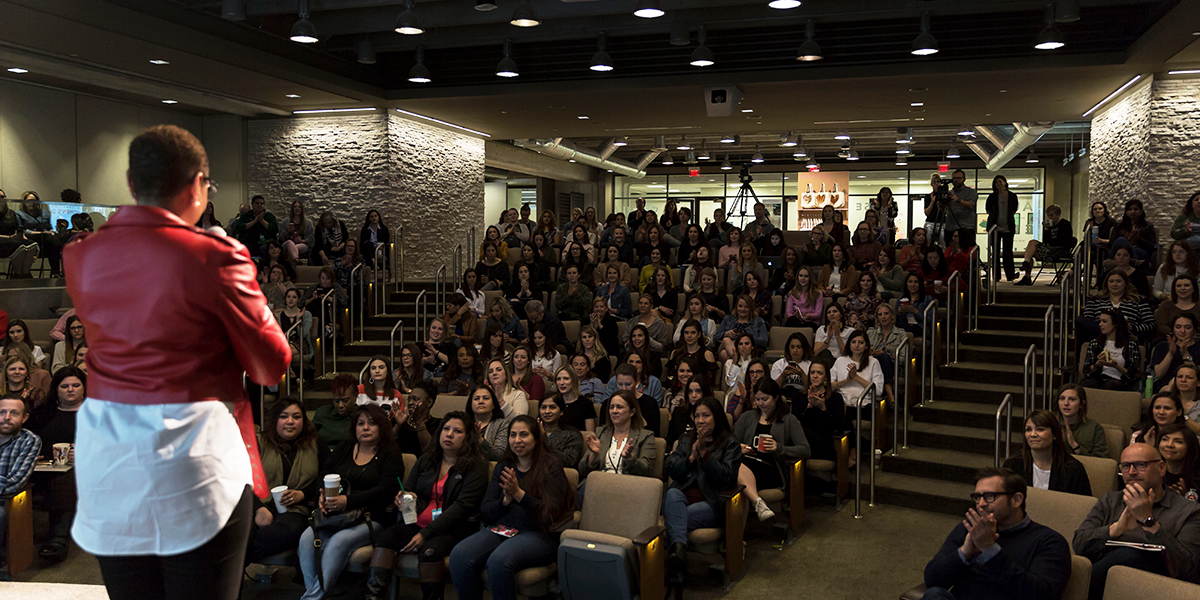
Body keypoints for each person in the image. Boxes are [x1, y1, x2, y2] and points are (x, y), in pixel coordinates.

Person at [63, 126, 290, 600]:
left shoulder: (79, 255)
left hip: (109, 453)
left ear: (130, 182)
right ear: (198, 186)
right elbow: (270, 366)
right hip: (194, 453)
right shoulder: (215, 255)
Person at [448, 415, 575, 600]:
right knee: (459, 555)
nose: (517, 440)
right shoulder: (504, 466)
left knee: (499, 561)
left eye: (524, 435)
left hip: (537, 533)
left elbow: (551, 513)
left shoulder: (551, 466)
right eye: (513, 435)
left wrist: (519, 495)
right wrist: (505, 501)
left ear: (536, 438)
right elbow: (486, 510)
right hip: (503, 529)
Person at [365, 410, 488, 600]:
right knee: (385, 538)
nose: (449, 434)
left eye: (457, 431)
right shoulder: (427, 459)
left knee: (430, 552)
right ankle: (374, 597)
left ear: (467, 437)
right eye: (446, 429)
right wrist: (402, 497)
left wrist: (425, 533)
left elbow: (462, 507)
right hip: (416, 522)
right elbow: (408, 488)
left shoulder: (476, 466)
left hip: (452, 529)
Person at [297, 404, 403, 600]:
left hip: (372, 518)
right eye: (360, 423)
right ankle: (314, 594)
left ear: (382, 427)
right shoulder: (345, 447)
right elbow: (324, 473)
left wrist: (348, 501)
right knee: (306, 538)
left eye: (372, 423)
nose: (365, 428)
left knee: (338, 542)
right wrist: (322, 493)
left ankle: (311, 598)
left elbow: (386, 491)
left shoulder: (391, 453)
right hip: (336, 515)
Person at [921, 467, 1071, 600]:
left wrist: (990, 550)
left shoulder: (1049, 541)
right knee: (934, 595)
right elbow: (933, 580)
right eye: (978, 497)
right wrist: (964, 552)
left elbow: (1041, 595)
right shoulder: (968, 530)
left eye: (990, 496)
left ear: (1016, 500)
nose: (981, 504)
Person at [1073, 444, 1200, 599]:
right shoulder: (1110, 500)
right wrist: (1115, 529)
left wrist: (1149, 522)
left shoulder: (1190, 511)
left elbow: (1187, 567)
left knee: (1131, 555)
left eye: (1140, 465)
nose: (1131, 472)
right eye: (1126, 466)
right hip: (1103, 584)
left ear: (1161, 468)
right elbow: (1079, 545)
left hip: (1154, 588)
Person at [663, 396, 741, 580]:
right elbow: (670, 467)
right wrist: (691, 458)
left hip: (711, 504)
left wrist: (705, 455)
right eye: (697, 416)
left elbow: (726, 478)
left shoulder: (731, 444)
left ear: (716, 418)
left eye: (705, 415)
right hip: (681, 499)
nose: (700, 420)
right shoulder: (685, 440)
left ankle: (675, 577)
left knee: (674, 520)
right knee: (673, 493)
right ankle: (679, 555)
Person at [247, 397, 330, 564]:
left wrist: (303, 494)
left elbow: (328, 478)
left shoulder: (314, 443)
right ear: (275, 419)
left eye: (296, 417)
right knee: (239, 530)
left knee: (287, 532)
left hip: (295, 511)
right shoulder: (259, 442)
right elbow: (240, 479)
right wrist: (258, 509)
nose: (290, 422)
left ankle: (238, 556)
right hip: (256, 506)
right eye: (284, 416)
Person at [733, 379, 811, 521]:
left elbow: (805, 449)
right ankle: (757, 504)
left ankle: (735, 539)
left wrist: (779, 448)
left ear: (775, 397)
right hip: (747, 464)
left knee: (736, 479)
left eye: (765, 399)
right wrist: (740, 447)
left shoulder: (788, 420)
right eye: (757, 399)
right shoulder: (747, 417)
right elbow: (731, 443)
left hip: (771, 469)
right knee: (737, 478)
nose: (761, 403)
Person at [1002, 410, 1092, 496]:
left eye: (1040, 429)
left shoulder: (1074, 469)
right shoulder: (1012, 465)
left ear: (1054, 435)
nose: (1032, 434)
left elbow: (1082, 506)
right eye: (1028, 430)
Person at [0, 395, 40, 580]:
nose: (7, 417)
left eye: (14, 413)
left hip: (6, 502)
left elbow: (15, 481)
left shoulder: (29, 440)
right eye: (2, 412)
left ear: (24, 418)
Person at [579, 389, 656, 480]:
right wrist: (594, 456)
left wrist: (630, 459)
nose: (614, 411)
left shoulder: (646, 436)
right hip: (599, 482)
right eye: (611, 407)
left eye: (619, 407)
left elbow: (646, 470)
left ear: (632, 412)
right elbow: (582, 470)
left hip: (627, 485)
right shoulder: (600, 432)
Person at [1078, 270, 1154, 349]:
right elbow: (1087, 321)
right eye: (1111, 281)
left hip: (1127, 340)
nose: (1114, 284)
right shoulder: (1096, 300)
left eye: (1118, 281)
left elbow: (1151, 325)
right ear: (1107, 284)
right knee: (1080, 320)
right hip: (1100, 338)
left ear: (1125, 283)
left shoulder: (1138, 300)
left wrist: (1132, 328)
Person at [1013, 205, 1076, 286]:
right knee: (1030, 250)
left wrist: (1050, 241)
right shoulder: (1050, 225)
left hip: (1060, 250)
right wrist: (1046, 229)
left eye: (1052, 215)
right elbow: (1046, 241)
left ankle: (1026, 269)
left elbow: (1063, 241)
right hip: (1050, 249)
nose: (1050, 218)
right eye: (1048, 215)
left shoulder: (1065, 224)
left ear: (1058, 215)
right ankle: (1026, 273)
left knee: (1032, 247)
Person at [1080, 309, 1141, 391]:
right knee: (1086, 384)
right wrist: (1098, 364)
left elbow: (1133, 375)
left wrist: (1115, 366)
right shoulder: (1095, 343)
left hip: (1120, 381)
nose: (1100, 324)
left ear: (1115, 324)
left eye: (1104, 321)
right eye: (1100, 321)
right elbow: (1086, 373)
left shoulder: (1131, 345)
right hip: (1099, 379)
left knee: (1110, 386)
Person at [1053, 384, 1109, 459]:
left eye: (1072, 399)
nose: (1066, 403)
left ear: (1082, 404)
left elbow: (1101, 460)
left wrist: (1074, 445)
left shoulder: (1094, 428)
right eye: (1062, 398)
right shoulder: (1050, 425)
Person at [924, 169, 977, 247]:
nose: (956, 180)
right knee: (949, 251)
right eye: (954, 178)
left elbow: (971, 205)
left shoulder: (970, 192)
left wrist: (958, 200)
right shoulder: (949, 193)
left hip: (965, 227)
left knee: (965, 251)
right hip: (950, 227)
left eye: (959, 178)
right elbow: (945, 210)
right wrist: (941, 205)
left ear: (964, 179)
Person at [1151, 313, 1200, 391]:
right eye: (1178, 327)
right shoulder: (1162, 346)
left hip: (1192, 388)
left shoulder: (1198, 348)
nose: (1182, 331)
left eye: (1187, 327)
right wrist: (1170, 353)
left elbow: (1197, 375)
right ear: (1173, 329)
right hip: (1164, 386)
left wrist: (1185, 355)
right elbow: (1159, 374)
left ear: (1194, 329)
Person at [985, 175, 1020, 282]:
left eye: (1000, 182)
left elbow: (1014, 209)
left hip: (1008, 228)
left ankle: (1010, 275)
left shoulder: (1012, 196)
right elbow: (988, 210)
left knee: (1008, 252)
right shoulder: (992, 197)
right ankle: (996, 276)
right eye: (996, 183)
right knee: (995, 252)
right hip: (995, 228)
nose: (999, 184)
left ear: (1005, 183)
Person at [713, 295, 769, 362]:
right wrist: (726, 334)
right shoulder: (728, 319)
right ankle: (741, 361)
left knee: (724, 354)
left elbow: (764, 342)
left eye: (746, 307)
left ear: (751, 308)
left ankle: (737, 364)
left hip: (749, 351)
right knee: (726, 340)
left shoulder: (759, 321)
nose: (742, 309)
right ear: (736, 307)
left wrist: (747, 337)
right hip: (730, 346)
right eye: (740, 306)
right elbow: (715, 339)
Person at [546, 366, 596, 433]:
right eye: (558, 379)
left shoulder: (586, 404)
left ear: (573, 380)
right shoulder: (551, 402)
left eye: (566, 378)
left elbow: (590, 434)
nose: (561, 383)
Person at [469, 385, 513, 461]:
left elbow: (500, 455)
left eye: (486, 398)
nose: (481, 401)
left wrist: (480, 439)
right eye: (476, 398)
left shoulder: (502, 424)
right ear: (470, 405)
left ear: (494, 404)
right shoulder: (463, 423)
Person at [538, 394, 584, 468]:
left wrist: (543, 439)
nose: (547, 411)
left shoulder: (572, 435)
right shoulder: (531, 432)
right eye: (543, 407)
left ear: (561, 411)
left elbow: (569, 461)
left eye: (552, 407)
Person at [1157, 423, 1200, 502]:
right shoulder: (1153, 473)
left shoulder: (1197, 477)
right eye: (1165, 439)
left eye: (1178, 441)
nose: (1169, 445)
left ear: (1190, 447)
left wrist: (1185, 500)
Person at [314, 374, 356, 450]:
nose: (340, 405)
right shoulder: (323, 413)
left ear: (355, 397)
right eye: (336, 401)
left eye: (345, 401)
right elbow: (309, 437)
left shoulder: (360, 415)